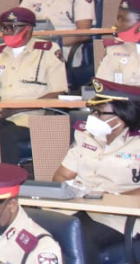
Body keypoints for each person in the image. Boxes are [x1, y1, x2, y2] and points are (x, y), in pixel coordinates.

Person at [53, 78, 140, 238]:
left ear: (122, 115)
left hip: (117, 216)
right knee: (36, 228)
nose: (92, 117)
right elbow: (62, 175)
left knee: (74, 237)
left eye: (99, 113)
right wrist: (72, 191)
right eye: (92, 112)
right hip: (75, 207)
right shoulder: (86, 136)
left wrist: (111, 198)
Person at [0, 8, 67, 99]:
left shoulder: (48, 51)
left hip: (32, 112)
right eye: (4, 27)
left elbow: (58, 92)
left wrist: (16, 109)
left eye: (12, 27)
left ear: (28, 29)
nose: (7, 31)